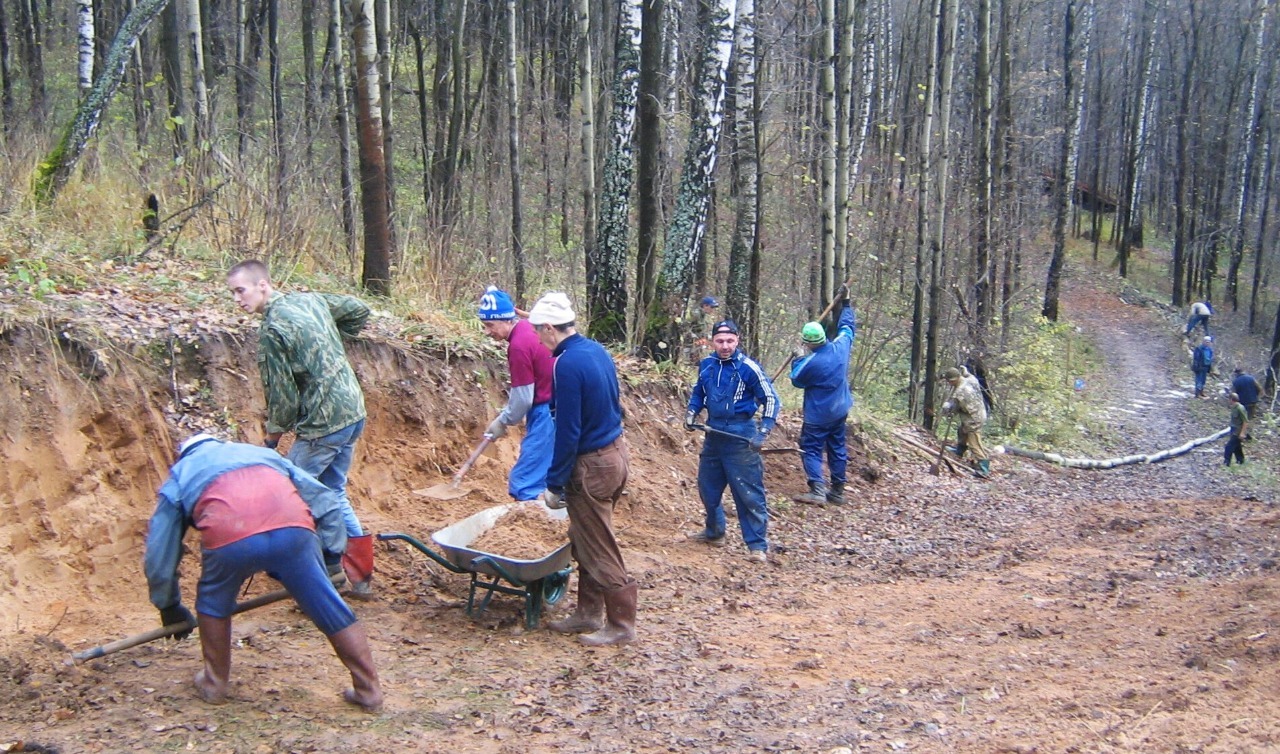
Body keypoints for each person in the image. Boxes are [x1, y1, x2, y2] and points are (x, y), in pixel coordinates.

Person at [144, 434, 382, 710]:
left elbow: (159, 552)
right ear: (221, 443)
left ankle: (215, 683)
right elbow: (325, 500)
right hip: (294, 530)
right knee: (327, 603)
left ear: (184, 454)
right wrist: (330, 553)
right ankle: (369, 690)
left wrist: (168, 604)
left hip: (230, 537)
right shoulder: (262, 455)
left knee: (213, 602)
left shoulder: (180, 475)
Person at [226, 260, 376, 597]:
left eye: (241, 290)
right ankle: (360, 575)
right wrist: (330, 340)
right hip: (353, 408)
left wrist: (273, 438)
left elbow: (282, 397)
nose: (237, 299)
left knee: (291, 492)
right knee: (332, 490)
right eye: (233, 293)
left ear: (263, 285)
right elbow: (358, 309)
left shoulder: (272, 330)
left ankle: (328, 569)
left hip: (324, 422)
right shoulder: (310, 301)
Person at [529, 292, 635, 646]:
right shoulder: (595, 350)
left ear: (549, 328)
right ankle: (588, 614)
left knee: (599, 544)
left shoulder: (566, 364)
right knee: (585, 537)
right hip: (615, 453)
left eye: (537, 331)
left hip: (590, 465)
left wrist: (555, 482)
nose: (536, 339)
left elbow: (568, 429)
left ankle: (621, 625)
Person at [684, 319, 781, 562]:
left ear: (737, 340)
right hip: (713, 432)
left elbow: (771, 399)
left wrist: (764, 431)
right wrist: (691, 412)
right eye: (720, 341)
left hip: (741, 435)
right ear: (713, 341)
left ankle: (757, 545)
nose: (725, 345)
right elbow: (699, 392)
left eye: (729, 341)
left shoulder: (749, 368)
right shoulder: (706, 365)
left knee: (747, 492)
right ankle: (715, 532)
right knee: (707, 487)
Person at [477, 286, 555, 501]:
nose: (487, 331)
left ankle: (531, 523)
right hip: (561, 404)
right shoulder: (531, 329)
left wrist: (503, 421)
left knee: (525, 481)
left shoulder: (519, 345)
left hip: (548, 411)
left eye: (490, 325)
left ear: (507, 320)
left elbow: (523, 398)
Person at [789, 285, 856, 506]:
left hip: (818, 415)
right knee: (837, 447)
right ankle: (837, 490)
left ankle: (818, 489)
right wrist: (846, 303)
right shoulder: (841, 347)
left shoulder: (810, 362)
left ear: (808, 342)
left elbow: (796, 379)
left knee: (811, 448)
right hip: (840, 410)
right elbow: (847, 327)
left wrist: (797, 358)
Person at [941, 367, 990, 477]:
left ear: (953, 380)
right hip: (979, 412)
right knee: (962, 431)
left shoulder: (960, 392)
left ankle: (984, 467)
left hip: (974, 419)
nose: (949, 384)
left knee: (974, 443)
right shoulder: (970, 380)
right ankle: (959, 451)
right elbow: (970, 376)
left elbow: (954, 409)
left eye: (949, 381)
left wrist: (947, 407)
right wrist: (965, 372)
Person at [1231, 368, 1262, 433]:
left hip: (1243, 404)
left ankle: (1241, 434)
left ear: (1236, 374)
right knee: (1250, 419)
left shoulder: (1236, 381)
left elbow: (1234, 394)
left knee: (1241, 420)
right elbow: (1260, 389)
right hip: (1253, 402)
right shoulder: (1251, 378)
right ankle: (1249, 433)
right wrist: (1256, 398)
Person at [1225, 392, 1248, 466]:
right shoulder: (1234, 407)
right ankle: (1240, 460)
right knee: (1237, 446)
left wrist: (1242, 433)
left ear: (1232, 399)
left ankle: (1226, 462)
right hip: (1233, 429)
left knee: (1229, 447)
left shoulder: (1240, 408)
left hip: (1237, 431)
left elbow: (1245, 421)